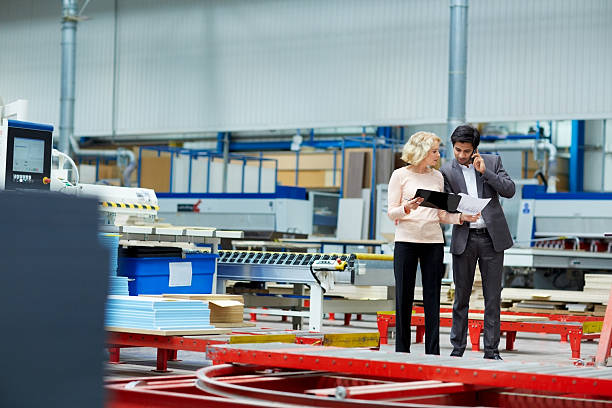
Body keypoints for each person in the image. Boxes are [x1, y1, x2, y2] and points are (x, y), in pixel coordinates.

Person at [387, 131, 479, 355]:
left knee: (432, 298)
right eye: (434, 151)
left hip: (434, 242)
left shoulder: (437, 177)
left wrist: (460, 218)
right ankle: (402, 351)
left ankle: (433, 352)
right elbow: (391, 213)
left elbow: (440, 215)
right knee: (404, 298)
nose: (438, 155)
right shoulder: (399, 175)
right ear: (421, 152)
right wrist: (407, 208)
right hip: (406, 241)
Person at [440, 125, 515, 360]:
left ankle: (491, 351)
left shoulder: (492, 162)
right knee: (461, 296)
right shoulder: (446, 171)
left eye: (466, 151)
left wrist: (486, 173)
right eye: (457, 150)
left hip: (492, 238)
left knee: (493, 297)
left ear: (475, 150)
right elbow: (445, 205)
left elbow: (510, 190)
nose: (461, 155)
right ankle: (457, 348)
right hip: (465, 237)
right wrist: (460, 211)